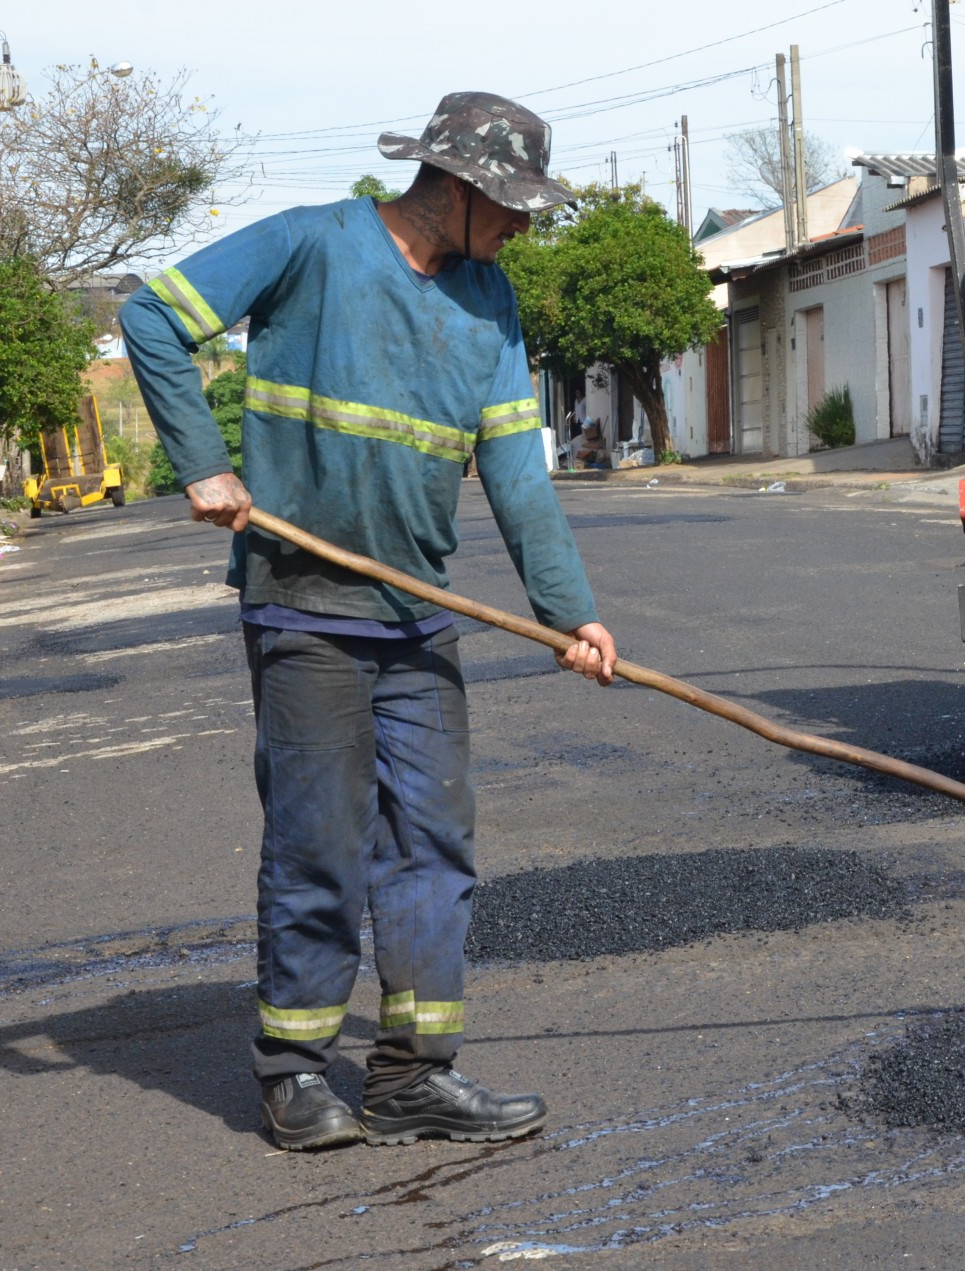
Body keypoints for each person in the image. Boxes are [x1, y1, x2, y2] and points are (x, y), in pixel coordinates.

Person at [119, 92, 619, 1152]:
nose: (524, 228)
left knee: (435, 842)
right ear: (457, 186)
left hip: (415, 621)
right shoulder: (311, 244)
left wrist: (573, 615)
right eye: (514, 206)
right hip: (305, 606)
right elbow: (151, 314)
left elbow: (518, 476)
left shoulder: (491, 304)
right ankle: (293, 1069)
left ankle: (411, 1073)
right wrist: (203, 464)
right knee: (320, 844)